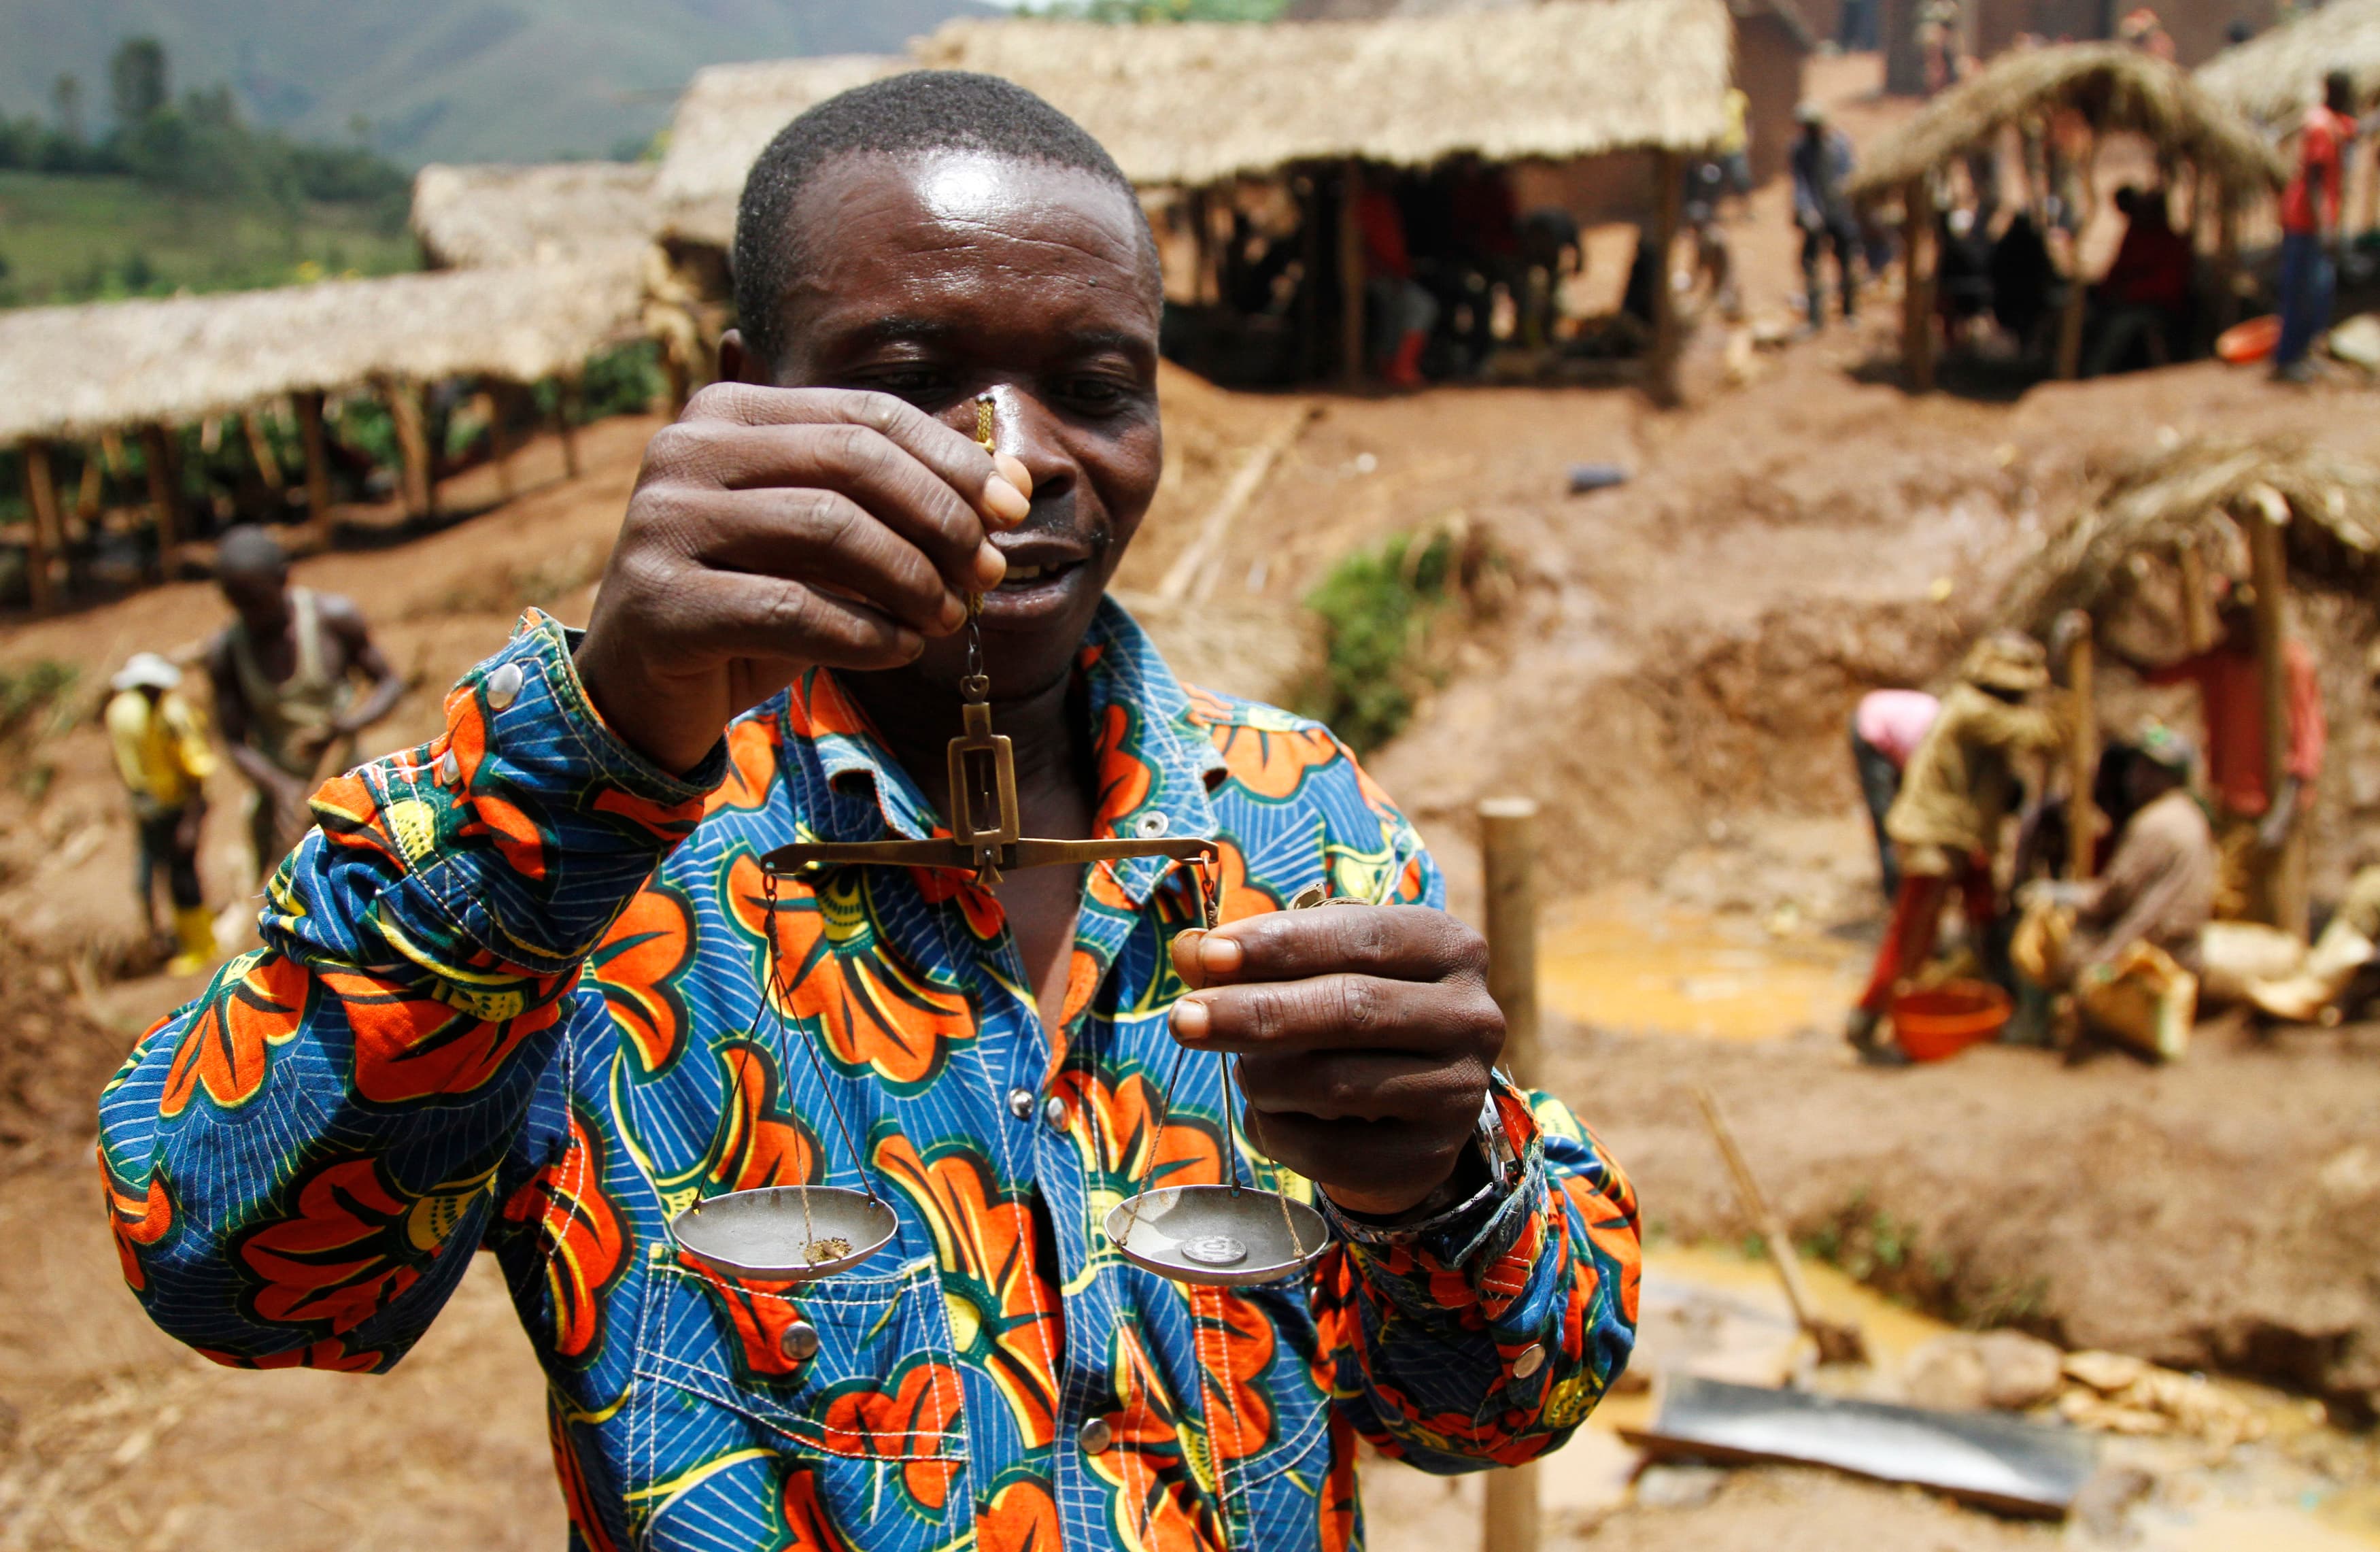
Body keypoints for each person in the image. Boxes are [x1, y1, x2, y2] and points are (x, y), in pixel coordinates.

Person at [100, 72, 1639, 1552]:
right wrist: (595, 748)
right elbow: (237, 1275)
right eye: (910, 386)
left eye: (1097, 389)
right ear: (741, 394)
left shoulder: (1296, 823)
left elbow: (1499, 1405)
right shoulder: (577, 869)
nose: (1018, 462)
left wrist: (1444, 1186)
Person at [1848, 632, 2067, 1062]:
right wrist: (2068, 698)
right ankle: (1868, 1019)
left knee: (1984, 915)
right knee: (1913, 932)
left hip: (1963, 836)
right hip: (1936, 834)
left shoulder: (1978, 711)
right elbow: (2045, 732)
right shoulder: (1972, 710)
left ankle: (2003, 1002)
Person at [207, 526, 403, 881]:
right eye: (238, 603)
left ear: (282, 578)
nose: (249, 612)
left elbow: (389, 683)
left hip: (350, 786)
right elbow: (234, 741)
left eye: (255, 598)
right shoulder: (226, 652)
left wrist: (351, 724)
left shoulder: (333, 619)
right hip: (284, 807)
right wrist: (279, 786)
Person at [2016, 724, 2215, 1060]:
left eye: (2148, 770)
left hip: (2155, 943)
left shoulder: (2153, 824)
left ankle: (2033, 1028)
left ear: (2168, 777)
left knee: (2046, 934)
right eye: (2137, 767)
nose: (2135, 777)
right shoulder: (2191, 815)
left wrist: (2054, 893)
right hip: (2184, 939)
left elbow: (2111, 897)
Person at [2127, 589, 2324, 924]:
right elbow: (2160, 674)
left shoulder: (2289, 662)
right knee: (2233, 895)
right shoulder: (2222, 661)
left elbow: (2307, 741)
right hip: (2233, 801)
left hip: (2275, 802)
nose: (2235, 632)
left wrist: (2283, 811)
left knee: (2265, 892)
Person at [103, 652, 218, 974]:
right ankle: (175, 939)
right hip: (150, 807)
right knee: (162, 874)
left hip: (178, 807)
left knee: (183, 872)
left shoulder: (173, 716)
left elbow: (195, 770)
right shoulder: (126, 714)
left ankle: (201, 945)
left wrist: (192, 820)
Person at [2273, 69, 2358, 383]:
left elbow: (2355, 130)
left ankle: (2304, 354)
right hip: (2306, 222)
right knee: (2303, 292)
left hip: (2314, 223)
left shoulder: (2332, 122)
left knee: (2318, 291)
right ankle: (2288, 358)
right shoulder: (2320, 128)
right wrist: (2326, 227)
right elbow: (2315, 183)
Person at [2085, 186, 2194, 376]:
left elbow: (2167, 288)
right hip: (2129, 301)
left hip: (2156, 307)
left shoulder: (2169, 243)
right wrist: (2106, 291)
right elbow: (2120, 269)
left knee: (2120, 327)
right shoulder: (2136, 236)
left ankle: (2096, 373)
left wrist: (2129, 293)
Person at [1851, 688, 1941, 900]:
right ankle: (1895, 892)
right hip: (1871, 727)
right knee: (1887, 819)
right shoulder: (1939, 746)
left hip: (1890, 723)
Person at [1357, 171, 1438, 388]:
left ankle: (1390, 367)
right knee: (1423, 307)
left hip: (1390, 274)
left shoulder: (1382, 202)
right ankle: (1403, 368)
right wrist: (1396, 273)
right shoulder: (1367, 204)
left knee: (1392, 319)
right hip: (1380, 275)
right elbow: (1374, 245)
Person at [1790, 103, 1862, 333]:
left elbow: (1852, 174)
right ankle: (1814, 319)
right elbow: (1801, 184)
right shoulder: (1800, 150)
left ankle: (1849, 312)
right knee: (1811, 267)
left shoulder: (1840, 145)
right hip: (1816, 216)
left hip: (1841, 214)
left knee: (1847, 263)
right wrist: (1806, 210)